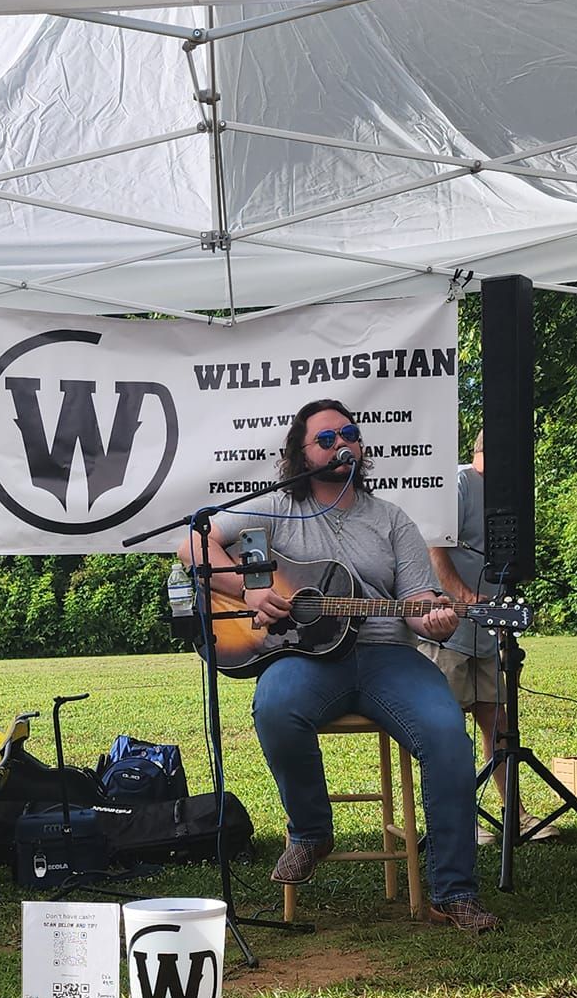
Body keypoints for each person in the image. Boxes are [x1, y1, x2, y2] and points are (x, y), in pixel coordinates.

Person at [179, 399, 500, 934]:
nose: (341, 444)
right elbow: (193, 541)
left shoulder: (392, 519)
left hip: (387, 656)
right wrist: (251, 592)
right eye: (325, 439)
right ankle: (311, 831)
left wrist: (436, 619)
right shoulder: (276, 507)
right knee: (275, 706)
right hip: (305, 657)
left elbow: (419, 599)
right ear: (299, 454)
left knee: (448, 734)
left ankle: (455, 891)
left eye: (348, 434)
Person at [423, 428, 559, 844]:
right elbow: (433, 545)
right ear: (483, 451)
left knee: (497, 719)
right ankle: (456, 822)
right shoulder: (459, 482)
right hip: (449, 627)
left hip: (489, 627)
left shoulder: (508, 496)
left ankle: (513, 814)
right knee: (446, 727)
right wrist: (464, 599)